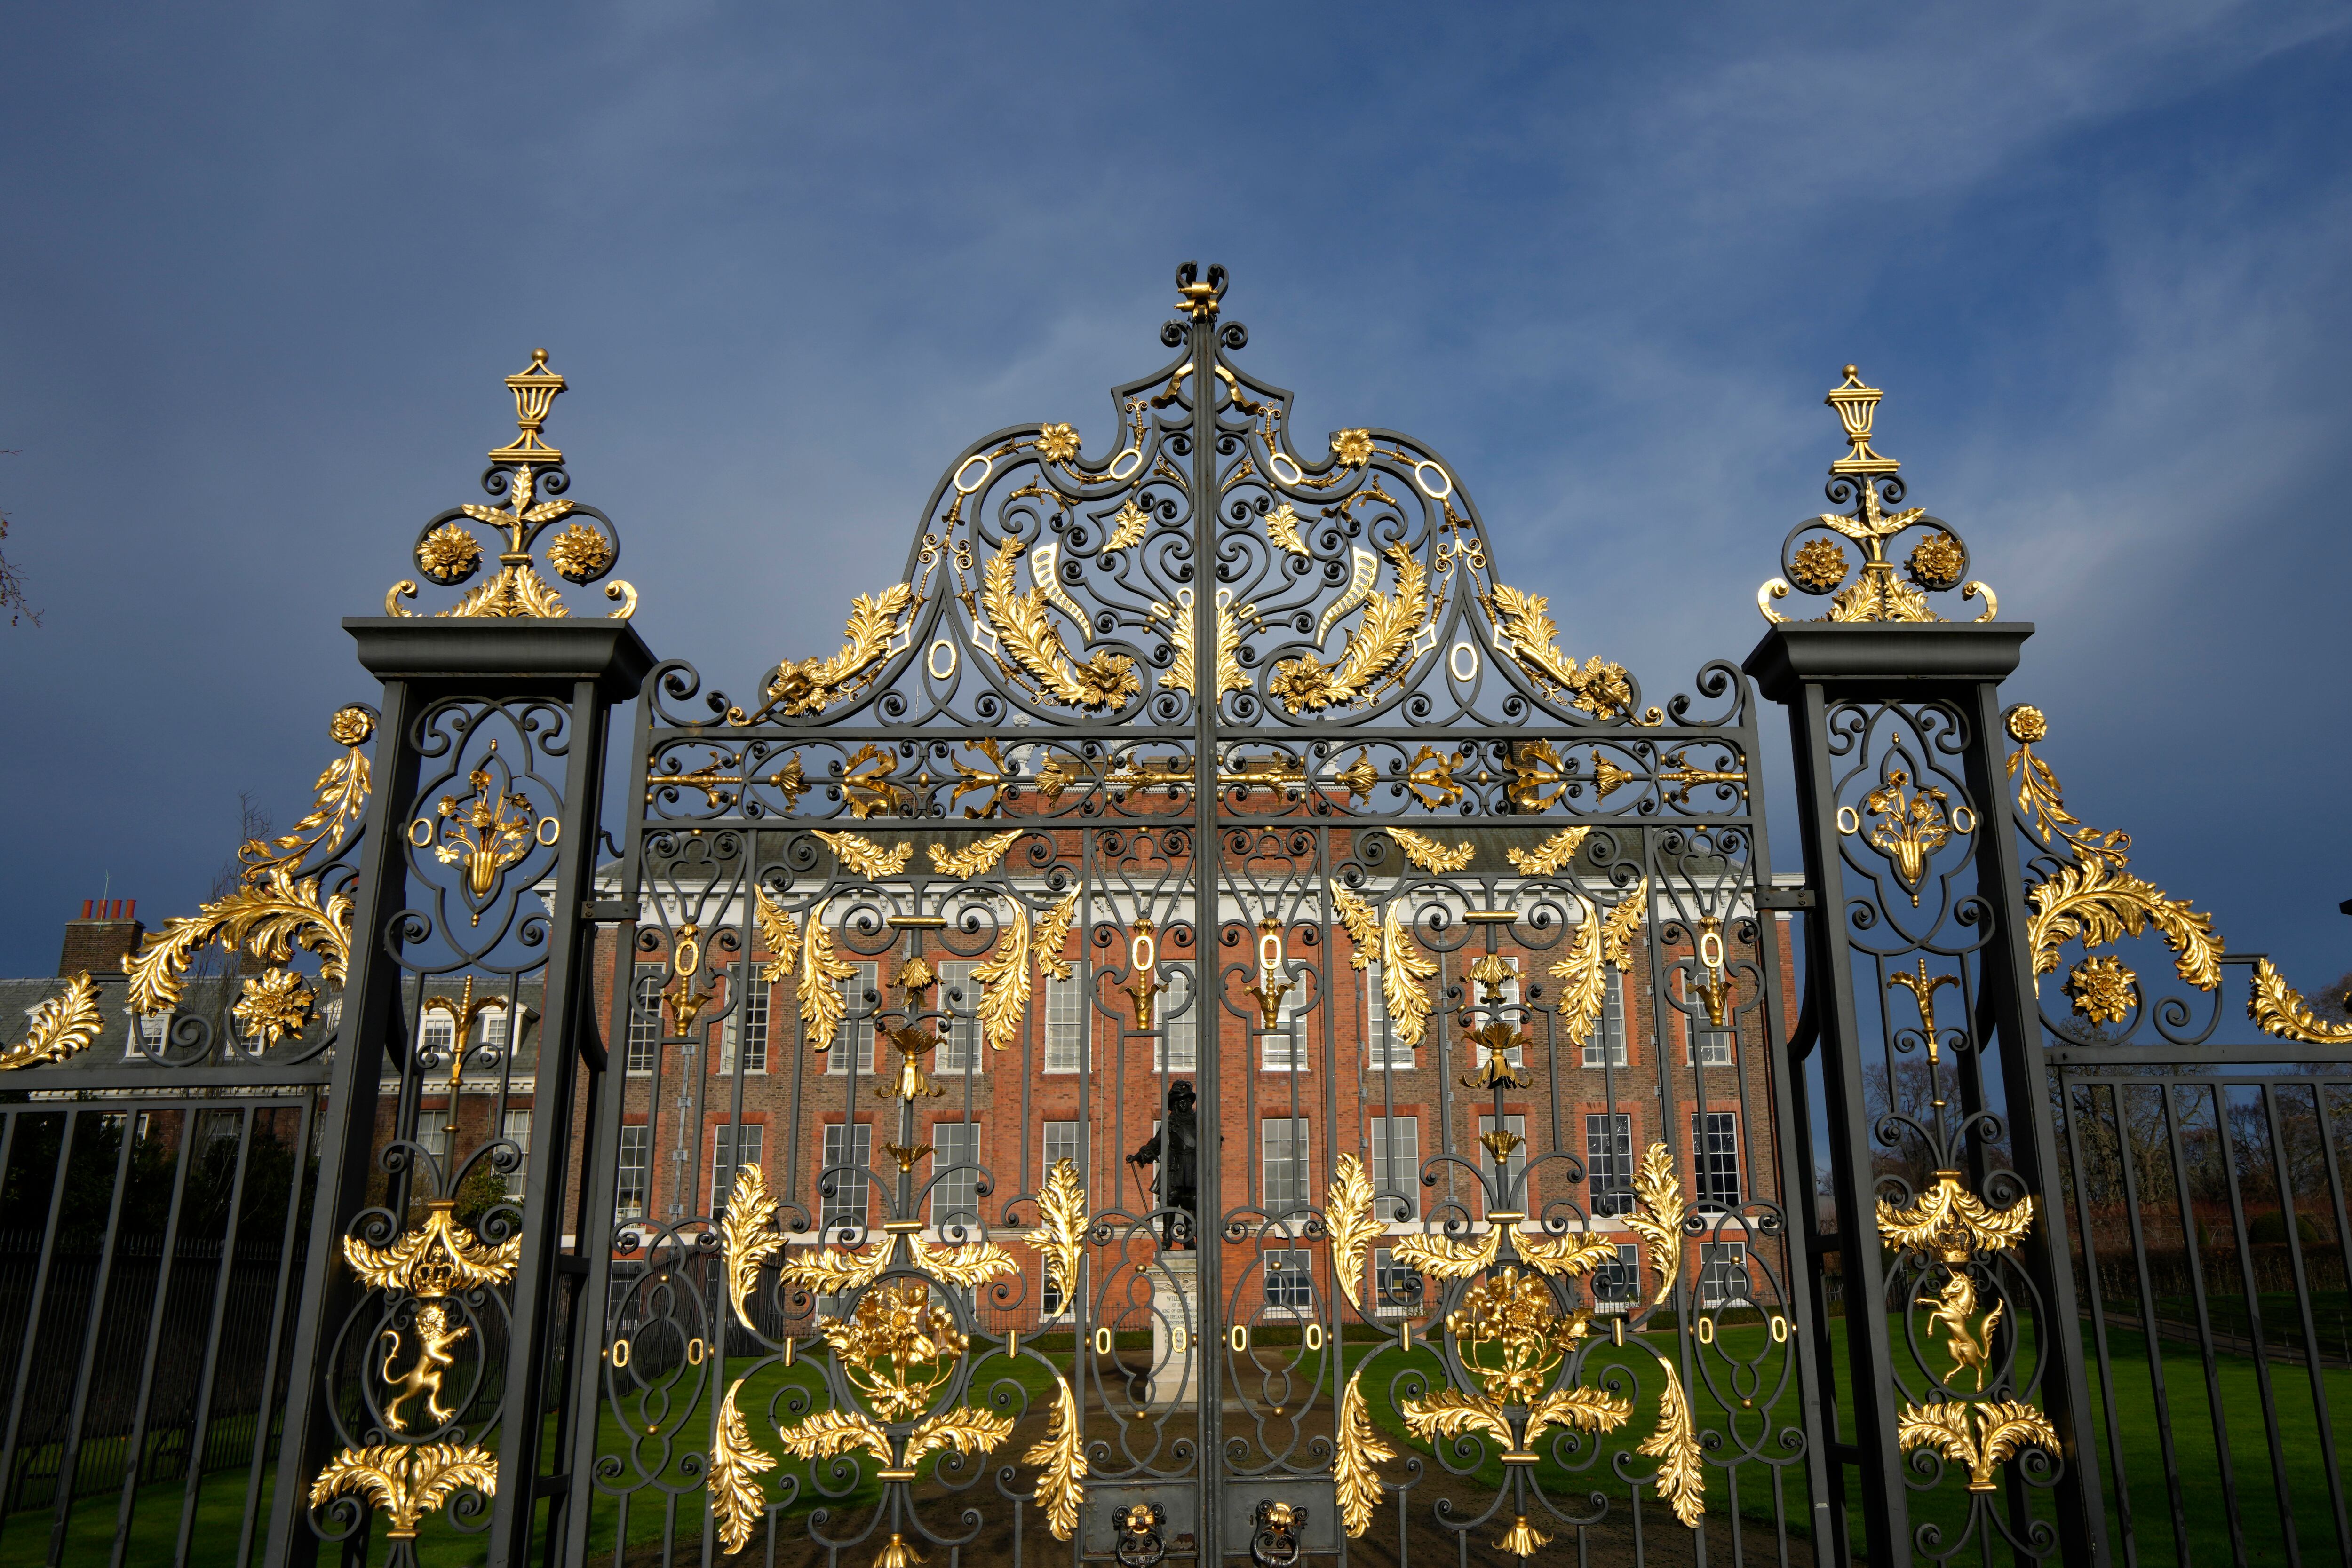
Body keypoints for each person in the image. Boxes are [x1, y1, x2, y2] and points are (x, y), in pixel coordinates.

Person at [1127, 1080, 1198, 1250]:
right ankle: (1167, 1238)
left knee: (1191, 1203)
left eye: (1186, 1101)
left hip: (1193, 1168)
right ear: (1174, 1105)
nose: (1183, 1104)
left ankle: (1189, 1238)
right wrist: (1138, 1156)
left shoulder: (1198, 1123)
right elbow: (1155, 1144)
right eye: (1180, 1101)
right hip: (1175, 1167)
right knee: (1170, 1202)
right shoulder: (1169, 1125)